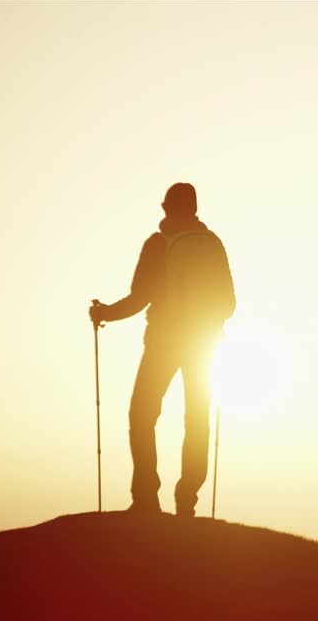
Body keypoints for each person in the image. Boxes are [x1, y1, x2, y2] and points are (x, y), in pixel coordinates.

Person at [90, 183, 236, 517]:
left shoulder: (158, 245)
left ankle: (145, 499)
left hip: (165, 341)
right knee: (196, 419)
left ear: (166, 207)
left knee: (141, 414)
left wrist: (104, 314)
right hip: (204, 344)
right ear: (195, 208)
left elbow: (139, 298)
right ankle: (187, 502)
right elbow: (229, 302)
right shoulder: (213, 245)